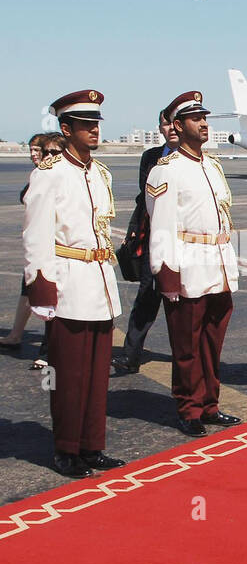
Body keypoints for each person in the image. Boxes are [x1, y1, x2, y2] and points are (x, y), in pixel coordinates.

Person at [22, 89, 125, 478]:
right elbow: (36, 237)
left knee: (98, 375)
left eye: (96, 123)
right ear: (66, 129)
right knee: (68, 375)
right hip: (67, 282)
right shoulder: (48, 175)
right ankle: (67, 448)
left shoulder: (100, 174)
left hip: (99, 281)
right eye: (85, 125)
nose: (94, 131)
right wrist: (41, 287)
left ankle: (92, 445)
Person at [145, 91, 241, 437]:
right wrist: (167, 275)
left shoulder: (211, 166)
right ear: (177, 126)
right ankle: (188, 409)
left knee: (212, 341)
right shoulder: (165, 171)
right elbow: (162, 227)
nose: (204, 124)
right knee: (186, 344)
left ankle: (210, 404)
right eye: (195, 119)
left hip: (216, 263)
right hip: (187, 264)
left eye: (205, 118)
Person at [113, 109, 180, 374]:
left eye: (175, 123)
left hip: (185, 239)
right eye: (165, 124)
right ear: (161, 128)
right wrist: (132, 230)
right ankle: (130, 355)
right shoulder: (151, 157)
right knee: (147, 295)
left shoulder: (201, 160)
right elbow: (145, 198)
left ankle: (186, 356)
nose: (171, 128)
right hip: (154, 237)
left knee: (183, 302)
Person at [4, 134, 65, 358]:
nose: (38, 155)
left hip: (58, 251)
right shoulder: (41, 175)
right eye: (40, 151)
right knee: (30, 291)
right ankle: (17, 335)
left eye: (51, 153)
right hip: (41, 250)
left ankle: (46, 351)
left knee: (50, 302)